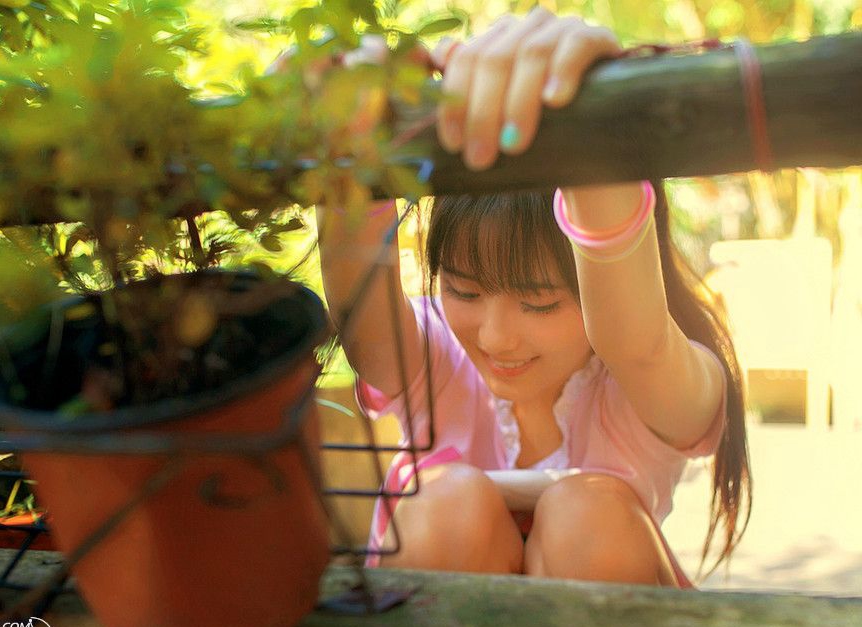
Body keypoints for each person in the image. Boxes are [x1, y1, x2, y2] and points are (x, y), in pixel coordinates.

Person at [317, 7, 751, 587]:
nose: (495, 337)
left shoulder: (649, 386)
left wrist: (595, 133)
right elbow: (361, 316)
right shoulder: (433, 359)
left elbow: (635, 342)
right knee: (451, 504)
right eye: (463, 289)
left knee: (586, 513)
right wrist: (346, 130)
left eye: (540, 302)